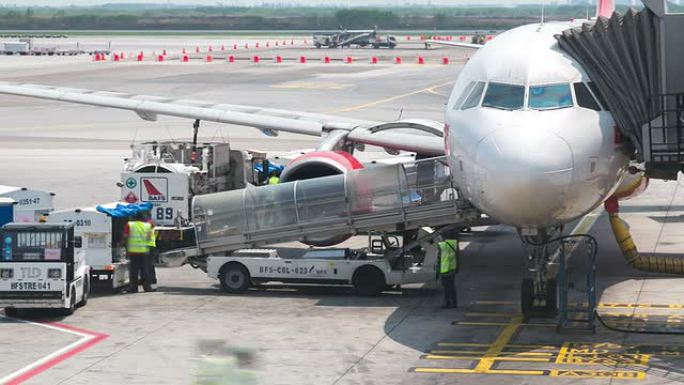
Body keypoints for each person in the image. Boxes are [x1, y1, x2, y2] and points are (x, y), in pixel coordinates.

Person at [123, 212, 154, 293]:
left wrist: (126, 248)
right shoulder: (148, 226)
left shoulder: (130, 224)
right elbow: (149, 237)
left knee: (134, 270)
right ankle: (147, 287)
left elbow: (125, 237)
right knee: (145, 270)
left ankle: (134, 288)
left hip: (133, 251)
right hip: (144, 250)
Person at [438, 237, 459, 308]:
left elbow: (439, 258)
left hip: (444, 269)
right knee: (452, 286)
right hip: (452, 268)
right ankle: (454, 302)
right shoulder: (454, 244)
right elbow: (457, 256)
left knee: (446, 287)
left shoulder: (442, 245)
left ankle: (447, 302)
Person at [143, 210, 158, 291]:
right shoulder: (151, 223)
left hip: (147, 246)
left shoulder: (148, 225)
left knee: (147, 266)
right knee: (150, 266)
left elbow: (148, 236)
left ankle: (149, 285)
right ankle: (152, 284)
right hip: (151, 246)